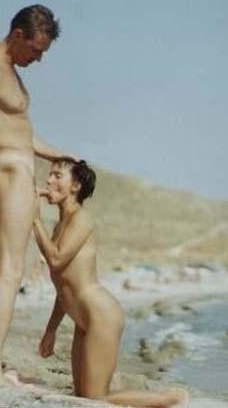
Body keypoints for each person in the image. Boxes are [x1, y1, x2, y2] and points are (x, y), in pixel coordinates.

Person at [0, 4, 77, 386]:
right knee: (8, 272)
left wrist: (59, 155)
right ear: (17, 35)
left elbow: (19, 134)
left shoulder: (7, 73)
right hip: (8, 173)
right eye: (36, 50)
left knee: (6, 271)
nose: (38, 59)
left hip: (14, 166)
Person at [33, 159, 187, 407]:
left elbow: (56, 259)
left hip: (101, 315)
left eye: (57, 175)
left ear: (75, 186)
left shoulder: (81, 219)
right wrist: (51, 330)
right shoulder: (59, 226)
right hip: (82, 319)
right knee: (84, 395)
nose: (49, 180)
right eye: (49, 175)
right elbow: (63, 286)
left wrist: (34, 219)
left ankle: (171, 399)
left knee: (96, 398)